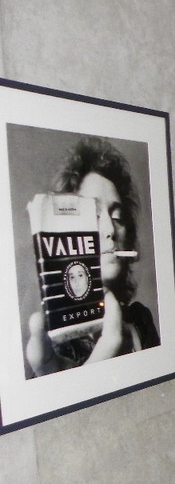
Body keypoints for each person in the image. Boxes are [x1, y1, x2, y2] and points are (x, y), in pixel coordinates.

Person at [26, 137, 159, 376]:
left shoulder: (140, 319)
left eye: (117, 217)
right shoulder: (56, 345)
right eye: (93, 215)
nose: (110, 230)